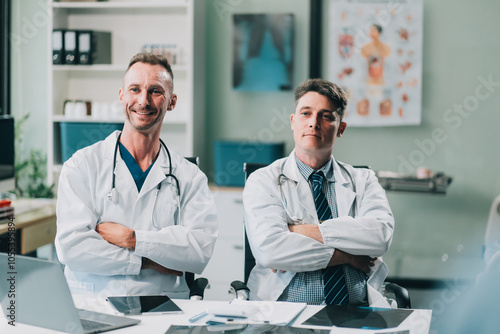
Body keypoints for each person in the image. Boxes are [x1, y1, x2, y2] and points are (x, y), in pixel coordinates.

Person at [55, 53, 218, 299]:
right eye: (135, 89)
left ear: (172, 102)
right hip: (93, 301)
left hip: (163, 303)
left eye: (155, 91)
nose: (143, 101)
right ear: (122, 96)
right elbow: (71, 247)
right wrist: (146, 262)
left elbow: (198, 251)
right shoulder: (82, 165)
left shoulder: (190, 177)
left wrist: (131, 238)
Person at [243, 78, 394, 307]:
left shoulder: (363, 180)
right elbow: (270, 251)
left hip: (355, 311)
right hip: (285, 315)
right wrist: (346, 255)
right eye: (306, 113)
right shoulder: (263, 181)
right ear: (293, 122)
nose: (314, 123)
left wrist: (301, 231)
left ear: (340, 128)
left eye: (326, 116)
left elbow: (380, 236)